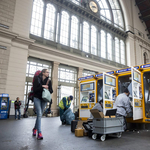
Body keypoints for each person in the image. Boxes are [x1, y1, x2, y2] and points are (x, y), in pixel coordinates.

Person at [32, 69, 53, 140]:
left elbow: (51, 90)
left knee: (39, 115)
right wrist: (42, 86)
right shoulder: (37, 79)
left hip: (44, 99)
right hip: (37, 98)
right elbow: (35, 89)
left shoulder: (49, 81)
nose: (48, 73)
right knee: (40, 114)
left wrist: (48, 89)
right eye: (47, 72)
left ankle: (35, 128)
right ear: (43, 73)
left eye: (48, 72)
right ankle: (39, 132)